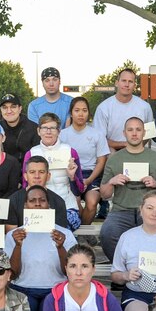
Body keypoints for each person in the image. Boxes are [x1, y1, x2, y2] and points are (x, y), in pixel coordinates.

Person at [4, 186, 78, 311]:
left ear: (49, 205)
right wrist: (18, 245)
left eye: (42, 200)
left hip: (53, 289)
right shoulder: (15, 235)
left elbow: (68, 272)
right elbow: (13, 274)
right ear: (25, 205)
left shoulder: (62, 233)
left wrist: (61, 247)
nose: (37, 204)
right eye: (32, 200)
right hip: (23, 289)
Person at [99, 117, 156, 262]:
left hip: (149, 210)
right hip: (121, 210)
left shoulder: (155, 157)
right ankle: (122, 268)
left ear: (144, 133)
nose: (134, 133)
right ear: (124, 133)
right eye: (130, 130)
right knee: (107, 234)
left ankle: (146, 270)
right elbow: (104, 194)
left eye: (138, 129)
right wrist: (112, 182)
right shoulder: (114, 159)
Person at [23, 112, 84, 231]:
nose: (48, 132)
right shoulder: (31, 153)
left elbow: (79, 190)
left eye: (52, 128)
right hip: (39, 207)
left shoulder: (70, 152)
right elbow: (25, 186)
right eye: (44, 128)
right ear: (38, 131)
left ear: (59, 131)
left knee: (58, 227)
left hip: (67, 206)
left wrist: (72, 178)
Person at [60, 96, 110, 225]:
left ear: (88, 113)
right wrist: (73, 177)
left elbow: (101, 160)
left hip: (91, 175)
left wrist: (88, 180)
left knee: (92, 203)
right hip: (70, 175)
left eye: (84, 110)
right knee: (75, 203)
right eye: (77, 110)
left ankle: (83, 233)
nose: (81, 114)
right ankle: (81, 233)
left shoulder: (97, 134)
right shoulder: (63, 135)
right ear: (71, 113)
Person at [93, 68, 153, 151]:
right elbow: (99, 139)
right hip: (112, 151)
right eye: (123, 81)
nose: (127, 84)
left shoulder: (145, 107)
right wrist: (124, 145)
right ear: (117, 83)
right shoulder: (103, 108)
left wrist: (134, 147)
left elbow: (149, 134)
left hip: (137, 150)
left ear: (135, 85)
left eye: (130, 81)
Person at [5, 156, 71, 230]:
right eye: (32, 172)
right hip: (22, 241)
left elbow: (60, 234)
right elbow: (11, 235)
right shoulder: (13, 200)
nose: (37, 176)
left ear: (48, 176)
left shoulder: (58, 201)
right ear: (25, 176)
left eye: (41, 172)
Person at [0, 93, 40, 159]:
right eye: (5, 107)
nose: (9, 111)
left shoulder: (34, 129)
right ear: (1, 110)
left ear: (20, 109)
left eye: (13, 107)